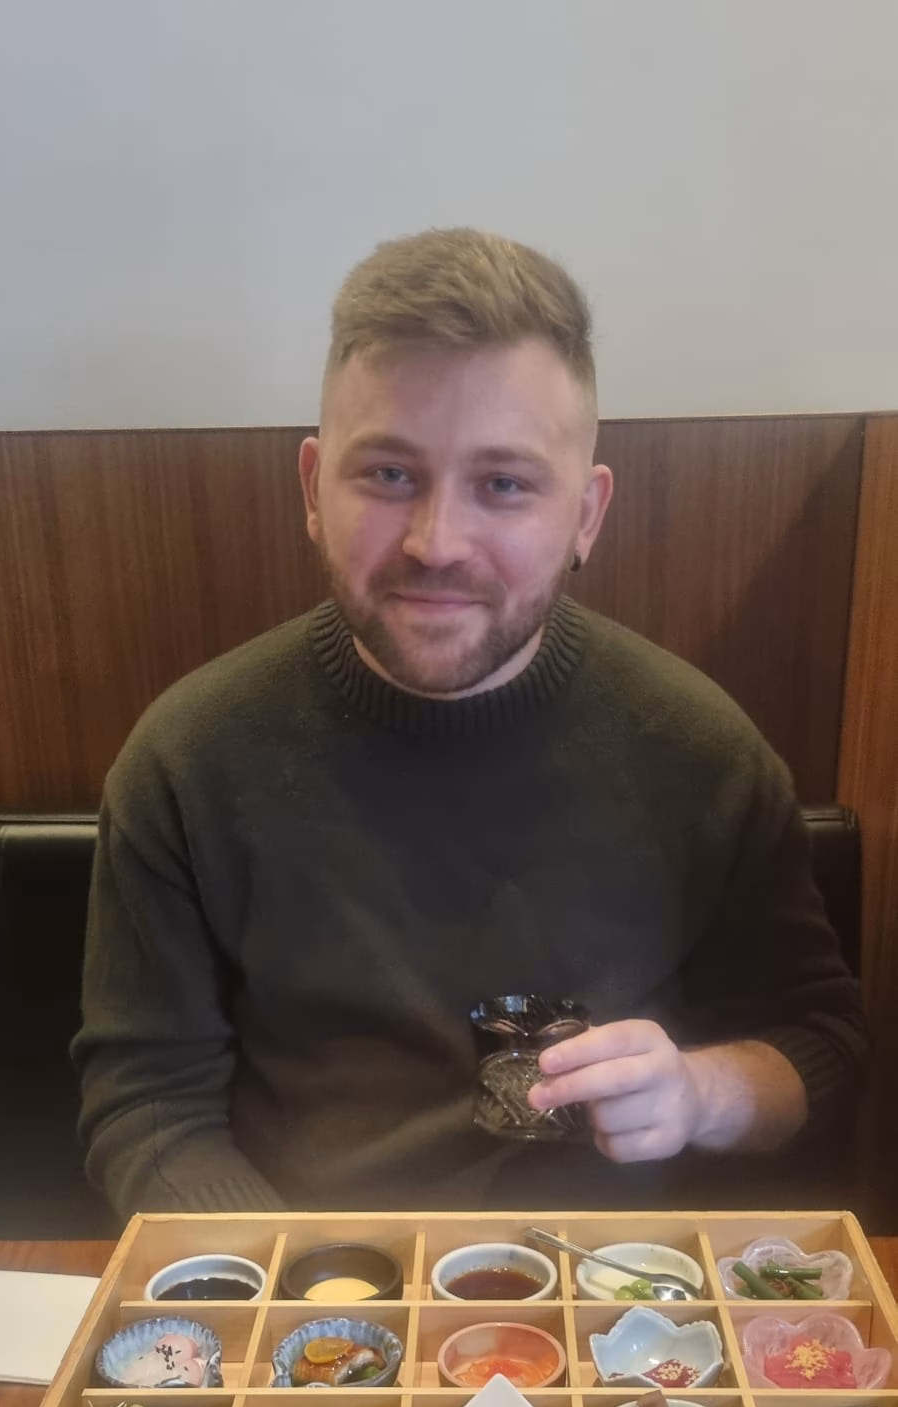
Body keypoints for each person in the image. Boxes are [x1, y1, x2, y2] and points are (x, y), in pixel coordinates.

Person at [73, 227, 868, 1221]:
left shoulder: (701, 751)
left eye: (503, 484)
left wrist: (701, 1093)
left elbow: (820, 1048)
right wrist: (304, 1285)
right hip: (316, 1290)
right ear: (313, 489)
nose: (436, 542)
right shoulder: (187, 758)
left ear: (585, 515)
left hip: (614, 1293)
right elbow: (147, 1105)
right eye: (388, 474)